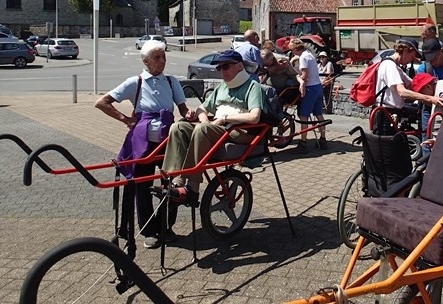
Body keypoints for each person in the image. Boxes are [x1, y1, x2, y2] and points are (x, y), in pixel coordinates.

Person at [95, 40, 192, 249]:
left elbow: (183, 108)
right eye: (157, 57)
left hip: (168, 139)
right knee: (142, 186)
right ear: (145, 61)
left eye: (164, 56)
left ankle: (165, 226)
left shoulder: (171, 81)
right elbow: (102, 102)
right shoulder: (135, 82)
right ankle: (148, 231)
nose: (162, 61)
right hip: (143, 142)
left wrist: (188, 114)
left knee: (172, 184)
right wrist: (124, 119)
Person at [157, 50, 267, 205]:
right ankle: (174, 180)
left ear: (240, 66)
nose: (222, 71)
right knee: (178, 127)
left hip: (239, 131)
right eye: (219, 68)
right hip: (219, 129)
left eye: (226, 66)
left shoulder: (252, 87)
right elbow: (202, 108)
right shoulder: (222, 87)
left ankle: (192, 188)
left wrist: (224, 118)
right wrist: (204, 122)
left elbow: (254, 117)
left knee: (202, 129)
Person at [375, 37, 443, 131]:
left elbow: (413, 85)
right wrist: (430, 98)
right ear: (405, 51)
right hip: (386, 113)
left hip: (393, 113)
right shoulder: (389, 66)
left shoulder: (397, 67)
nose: (411, 60)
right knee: (386, 144)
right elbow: (402, 92)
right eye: (412, 56)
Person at [288, 38, 328, 152]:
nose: (292, 52)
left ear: (296, 49)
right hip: (317, 86)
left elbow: (305, 75)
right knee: (318, 114)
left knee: (303, 115)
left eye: (292, 50)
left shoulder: (303, 57)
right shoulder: (309, 54)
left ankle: (303, 142)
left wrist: (297, 79)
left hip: (310, 88)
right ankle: (323, 139)